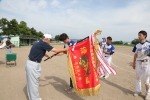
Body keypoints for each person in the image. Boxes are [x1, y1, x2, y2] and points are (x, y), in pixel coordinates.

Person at [25, 34, 69, 100]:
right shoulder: (43, 43)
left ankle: (35, 97)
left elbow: (40, 51)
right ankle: (34, 99)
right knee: (33, 84)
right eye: (50, 40)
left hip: (34, 63)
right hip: (33, 64)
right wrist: (68, 48)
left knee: (35, 82)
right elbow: (56, 50)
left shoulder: (39, 43)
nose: (50, 41)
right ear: (46, 39)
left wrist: (47, 56)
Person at [132, 30, 150, 100]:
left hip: (146, 63)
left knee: (146, 81)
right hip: (138, 62)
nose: (138, 36)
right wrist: (134, 63)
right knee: (138, 78)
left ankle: (148, 94)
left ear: (144, 36)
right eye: (138, 35)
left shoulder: (149, 44)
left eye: (140, 35)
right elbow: (135, 55)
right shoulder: (137, 45)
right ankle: (138, 91)